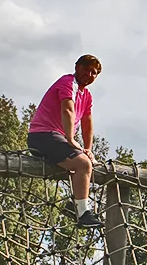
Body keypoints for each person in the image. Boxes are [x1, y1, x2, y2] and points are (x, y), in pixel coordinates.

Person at [27, 54, 103, 228]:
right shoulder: (68, 83)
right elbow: (68, 109)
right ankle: (83, 214)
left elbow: (86, 121)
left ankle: (74, 204)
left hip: (55, 137)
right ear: (77, 67)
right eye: (86, 69)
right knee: (83, 164)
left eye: (94, 72)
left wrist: (88, 148)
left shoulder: (87, 95)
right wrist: (70, 139)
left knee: (89, 163)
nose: (89, 74)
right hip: (43, 135)